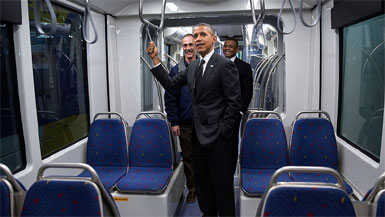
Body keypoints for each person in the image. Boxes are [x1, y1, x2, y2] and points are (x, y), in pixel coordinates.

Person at [147, 23, 241, 216]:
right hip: (198, 138)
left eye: (202, 35)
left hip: (219, 139)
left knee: (222, 185)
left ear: (214, 39)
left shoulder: (225, 65)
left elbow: (234, 104)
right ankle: (208, 213)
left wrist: (224, 131)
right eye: (196, 35)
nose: (198, 39)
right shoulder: (193, 67)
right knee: (203, 182)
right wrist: (156, 58)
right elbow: (171, 84)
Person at [164, 34, 197, 203]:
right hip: (185, 124)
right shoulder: (176, 70)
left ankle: (206, 187)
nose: (188, 48)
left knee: (206, 157)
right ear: (182, 47)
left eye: (191, 44)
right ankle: (192, 188)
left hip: (205, 124)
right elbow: (170, 98)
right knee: (189, 158)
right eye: (185, 45)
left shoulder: (204, 67)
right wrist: (174, 121)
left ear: (196, 46)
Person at [223, 38, 253, 176]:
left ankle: (230, 171)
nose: (227, 48)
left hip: (234, 113)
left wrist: (241, 112)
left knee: (232, 143)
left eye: (231, 46)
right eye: (225, 46)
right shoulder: (217, 65)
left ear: (236, 50)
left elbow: (248, 92)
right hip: (217, 113)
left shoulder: (244, 67)